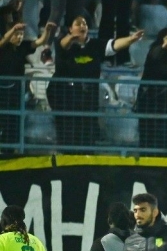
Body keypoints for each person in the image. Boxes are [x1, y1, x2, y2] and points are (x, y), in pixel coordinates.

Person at [48, 15, 143, 148]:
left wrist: (131, 39)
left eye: (84, 24)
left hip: (88, 101)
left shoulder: (95, 45)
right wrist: (71, 38)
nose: (82, 26)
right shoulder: (64, 45)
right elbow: (62, 45)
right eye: (78, 24)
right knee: (68, 139)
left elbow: (114, 45)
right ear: (70, 29)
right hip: (67, 102)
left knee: (87, 139)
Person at [0, 21, 54, 151]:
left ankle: (12, 148)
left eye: (21, 34)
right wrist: (13, 30)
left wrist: (47, 31)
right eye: (17, 34)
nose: (19, 37)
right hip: (2, 91)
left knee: (15, 120)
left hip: (16, 90)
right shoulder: (4, 47)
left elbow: (40, 42)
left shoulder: (23, 47)